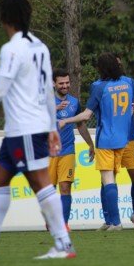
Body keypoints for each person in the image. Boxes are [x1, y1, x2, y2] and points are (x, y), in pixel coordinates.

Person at [0, 0, 75, 260]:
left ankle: (63, 244)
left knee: (41, 182)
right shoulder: (40, 46)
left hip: (26, 129)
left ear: (4, 19)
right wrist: (52, 125)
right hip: (21, 130)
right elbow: (46, 90)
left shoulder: (12, 49)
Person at [64, 53, 134, 231]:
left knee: (107, 179)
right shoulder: (129, 83)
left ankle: (116, 222)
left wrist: (66, 120)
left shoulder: (99, 87)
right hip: (123, 138)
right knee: (109, 179)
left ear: (101, 68)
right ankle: (110, 221)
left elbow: (87, 115)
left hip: (106, 139)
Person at [90, 54, 134, 231]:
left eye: (120, 63)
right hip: (111, 136)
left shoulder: (130, 82)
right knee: (106, 179)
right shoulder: (98, 86)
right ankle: (110, 220)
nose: (118, 66)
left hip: (129, 138)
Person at [50, 69, 95, 230]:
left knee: (65, 186)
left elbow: (80, 124)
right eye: (61, 83)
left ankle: (63, 223)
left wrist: (90, 144)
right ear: (53, 83)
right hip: (47, 152)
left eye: (67, 82)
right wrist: (54, 109)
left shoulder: (74, 102)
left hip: (67, 149)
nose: (65, 86)